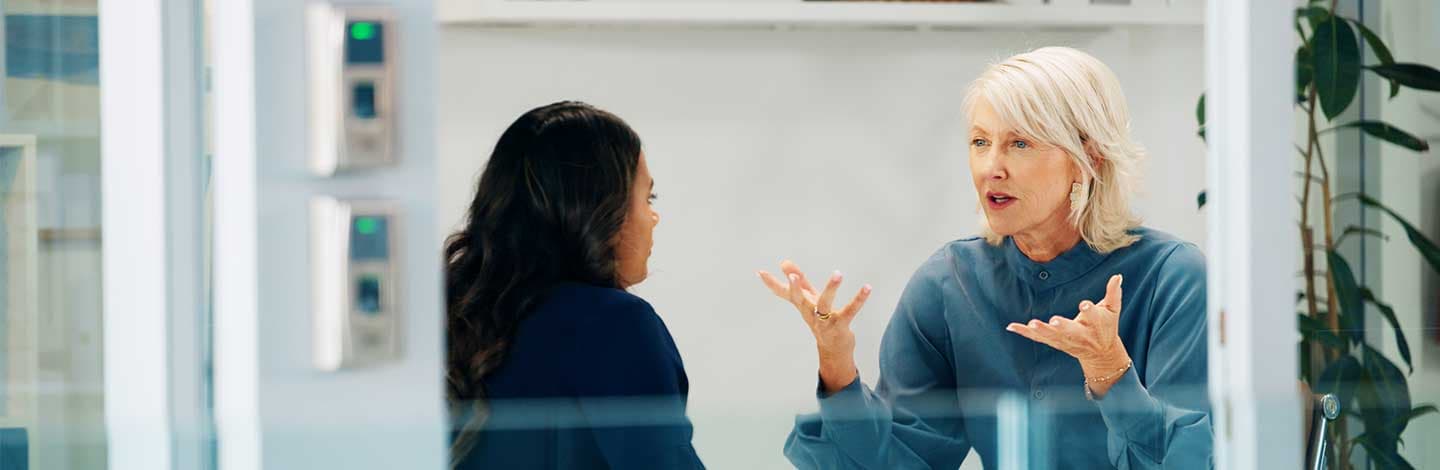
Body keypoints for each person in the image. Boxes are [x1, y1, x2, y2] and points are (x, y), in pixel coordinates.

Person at [758, 47, 1211, 469]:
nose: (991, 166)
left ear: (1087, 158)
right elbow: (902, 459)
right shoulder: (948, 283)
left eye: (1020, 144)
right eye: (980, 142)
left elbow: (1191, 460)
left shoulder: (1173, 278)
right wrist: (837, 366)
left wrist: (1111, 371)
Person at [445, 101, 704, 469]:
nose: (654, 217)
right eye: (648, 198)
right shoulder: (615, 324)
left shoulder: (456, 310)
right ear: (601, 211)